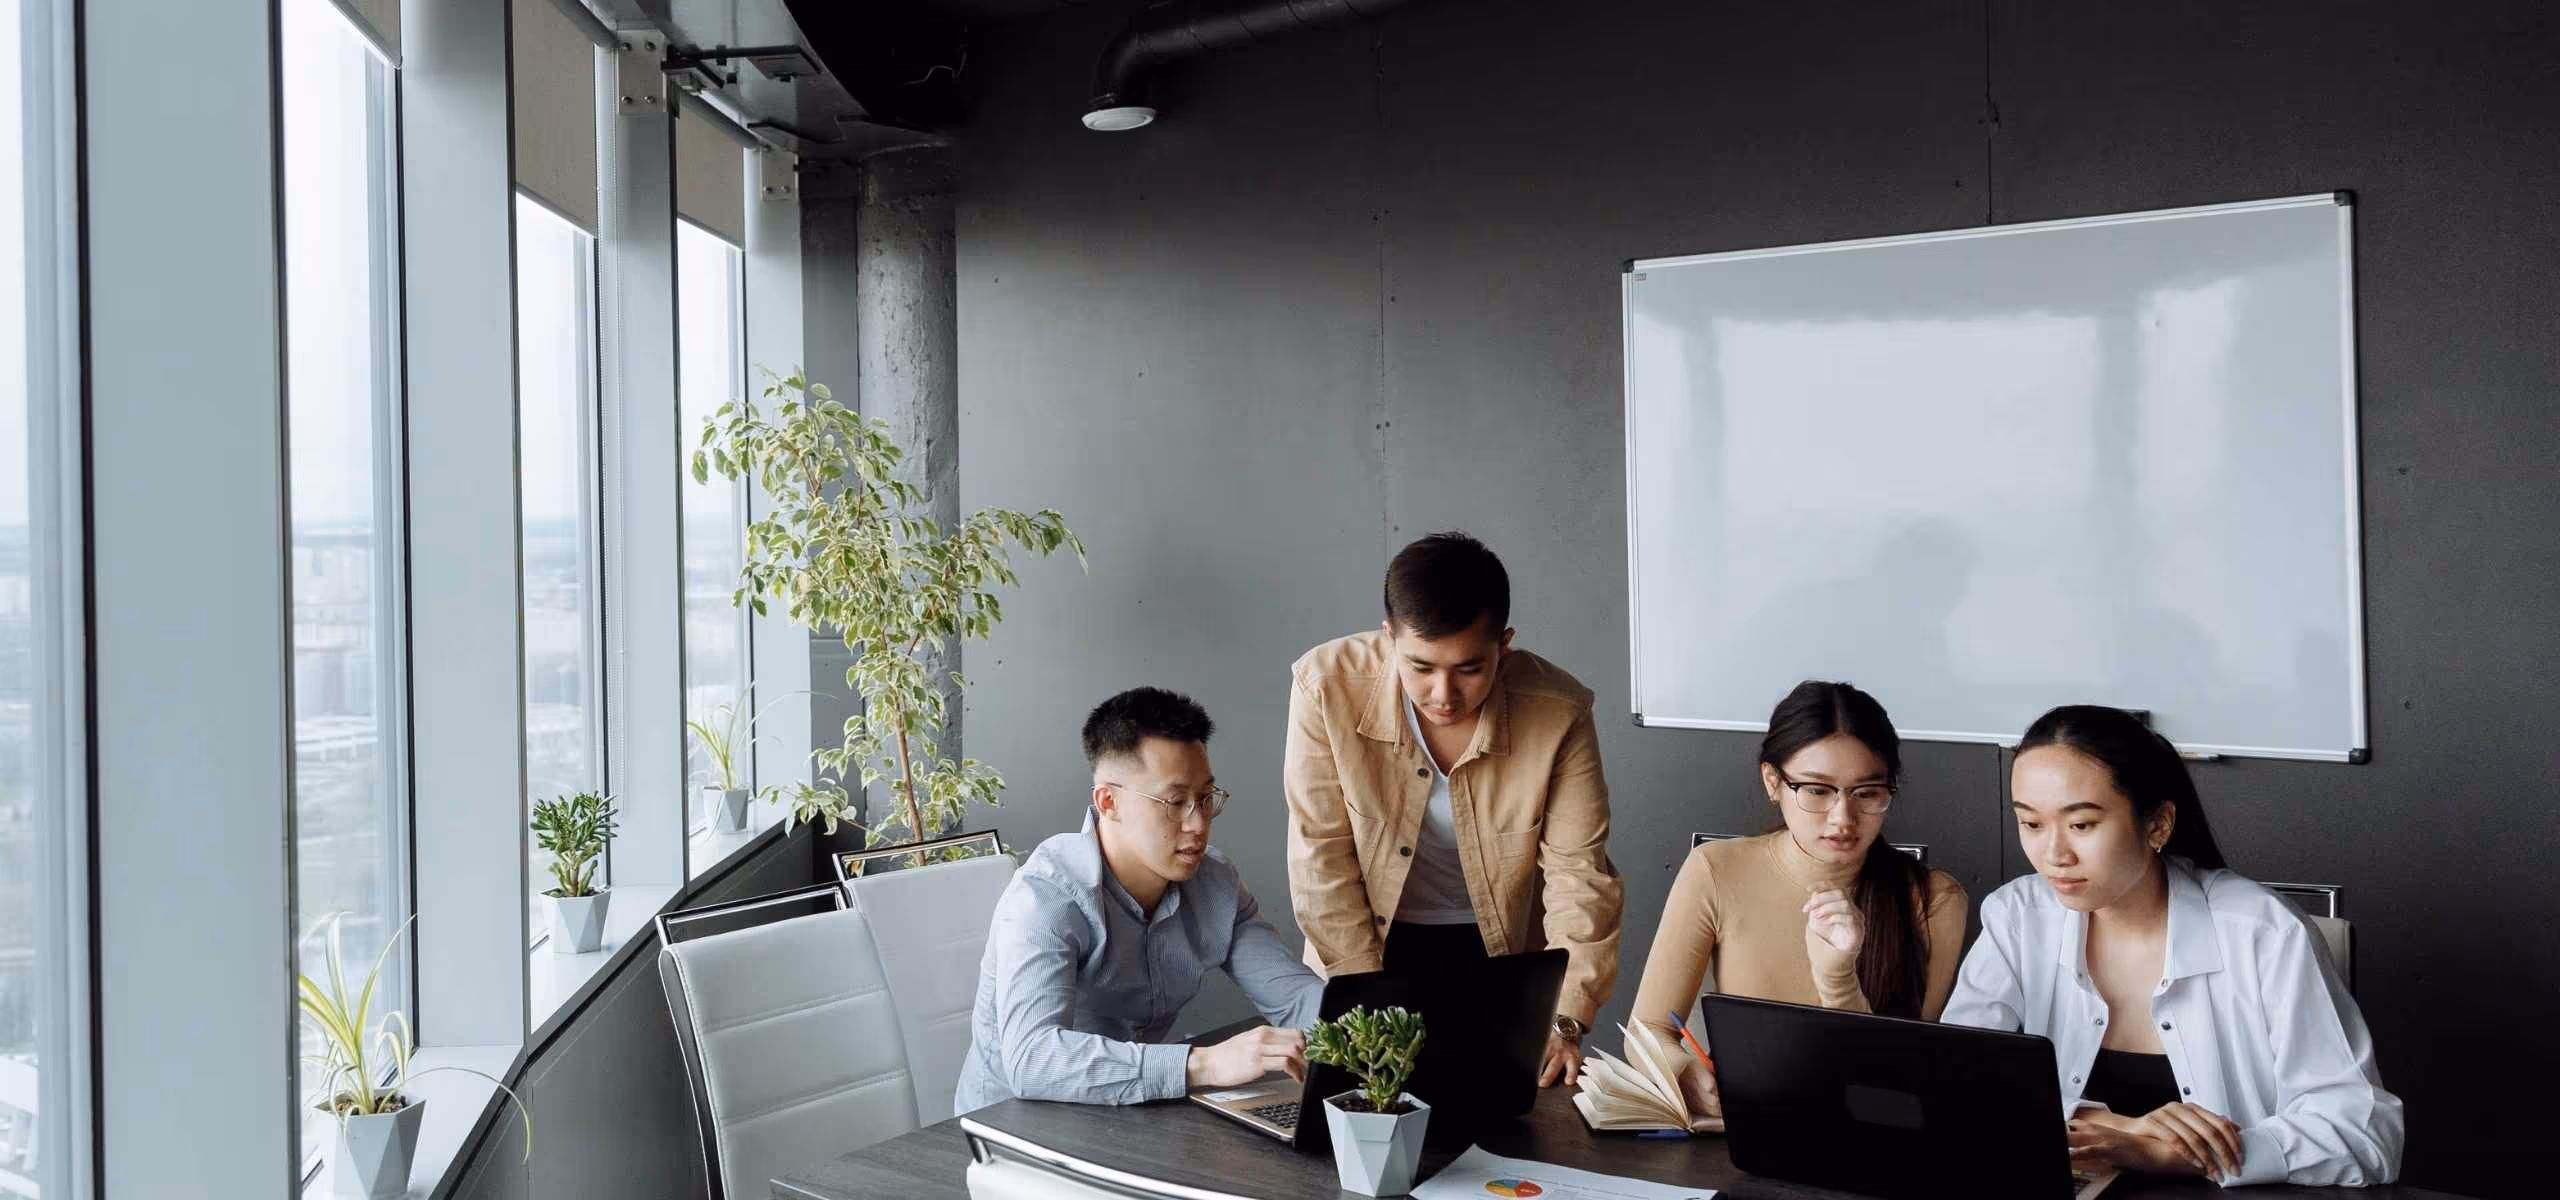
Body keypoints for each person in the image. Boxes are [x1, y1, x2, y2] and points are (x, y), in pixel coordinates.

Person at [1944, 705, 2403, 1186]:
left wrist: (2178, 1155)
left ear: (2158, 824)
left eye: (2082, 825)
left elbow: (2365, 1135)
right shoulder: (2018, 916)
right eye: (2032, 824)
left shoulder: (2262, 931)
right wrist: (2116, 1128)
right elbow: (1954, 1084)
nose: (2054, 855)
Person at [1284, 532, 1623, 1088]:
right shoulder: (1325, 686)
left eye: (1469, 669)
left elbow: (1579, 877)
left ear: (1504, 646)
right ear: (1389, 636)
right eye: (1420, 667)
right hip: (1364, 946)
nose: (1443, 694)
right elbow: (1322, 858)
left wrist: (1564, 1018)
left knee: (1499, 1130)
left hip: (1498, 951)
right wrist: (1364, 1009)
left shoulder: (1559, 710)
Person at [953, 687, 1322, 1113]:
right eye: (1174, 801)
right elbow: (1032, 1059)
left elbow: (1295, 998)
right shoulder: (1045, 897)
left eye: (1205, 798)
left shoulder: (1214, 883)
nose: (1198, 823)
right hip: (1014, 1128)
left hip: (1131, 1115)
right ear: (1108, 802)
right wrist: (1202, 1063)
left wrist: (1376, 1045)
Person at [1629, 680, 1969, 1124]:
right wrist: (1683, 1069)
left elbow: (1899, 1079)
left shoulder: (1935, 901)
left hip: (1867, 1138)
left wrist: (1838, 975)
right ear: (1773, 781)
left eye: (1867, 793)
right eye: (1816, 790)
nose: (1842, 819)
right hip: (1743, 1129)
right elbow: (1646, 1030)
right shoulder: (1715, 869)